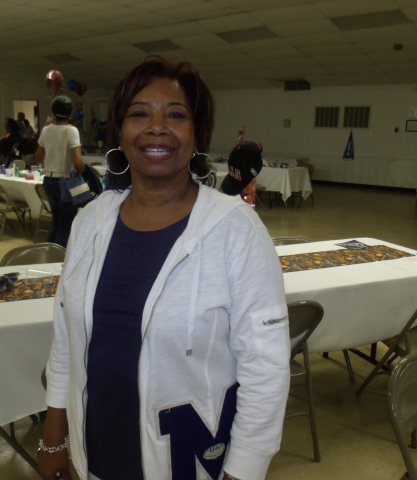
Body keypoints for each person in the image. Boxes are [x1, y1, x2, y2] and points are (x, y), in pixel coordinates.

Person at [40, 57, 290, 480]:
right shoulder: (90, 222)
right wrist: (54, 437)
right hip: (95, 452)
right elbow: (66, 339)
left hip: (188, 460)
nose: (157, 127)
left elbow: (266, 365)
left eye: (176, 115)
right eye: (140, 114)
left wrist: (243, 471)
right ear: (120, 130)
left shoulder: (235, 229)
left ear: (196, 135)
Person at [34, 96, 86, 247]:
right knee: (66, 226)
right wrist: (87, 172)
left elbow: (37, 159)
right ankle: (58, 260)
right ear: (71, 114)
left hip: (49, 180)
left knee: (56, 222)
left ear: (53, 112)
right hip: (65, 181)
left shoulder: (45, 130)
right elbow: (77, 162)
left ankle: (48, 255)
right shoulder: (72, 131)